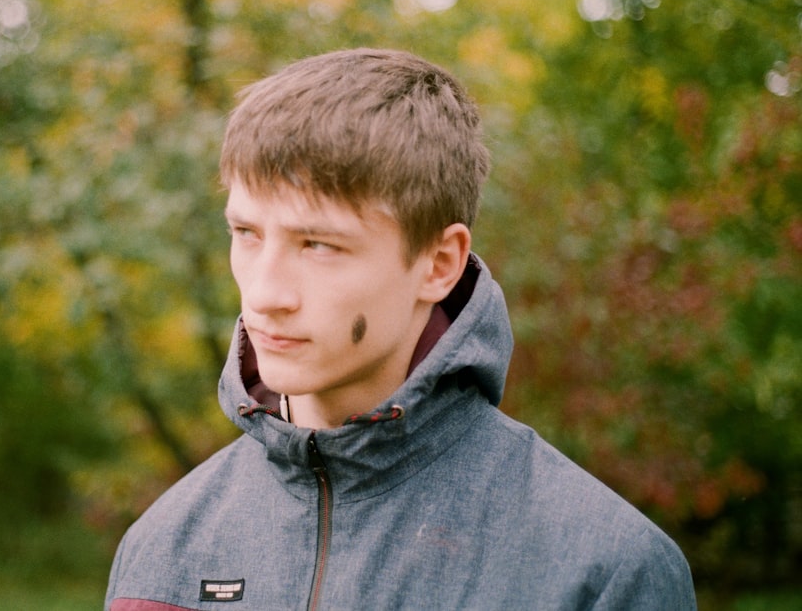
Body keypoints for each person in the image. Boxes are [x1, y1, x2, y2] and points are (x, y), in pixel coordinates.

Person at [104, 48, 697, 610]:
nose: (263, 294)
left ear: (439, 264)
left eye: (318, 244)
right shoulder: (160, 554)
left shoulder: (603, 571)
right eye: (247, 234)